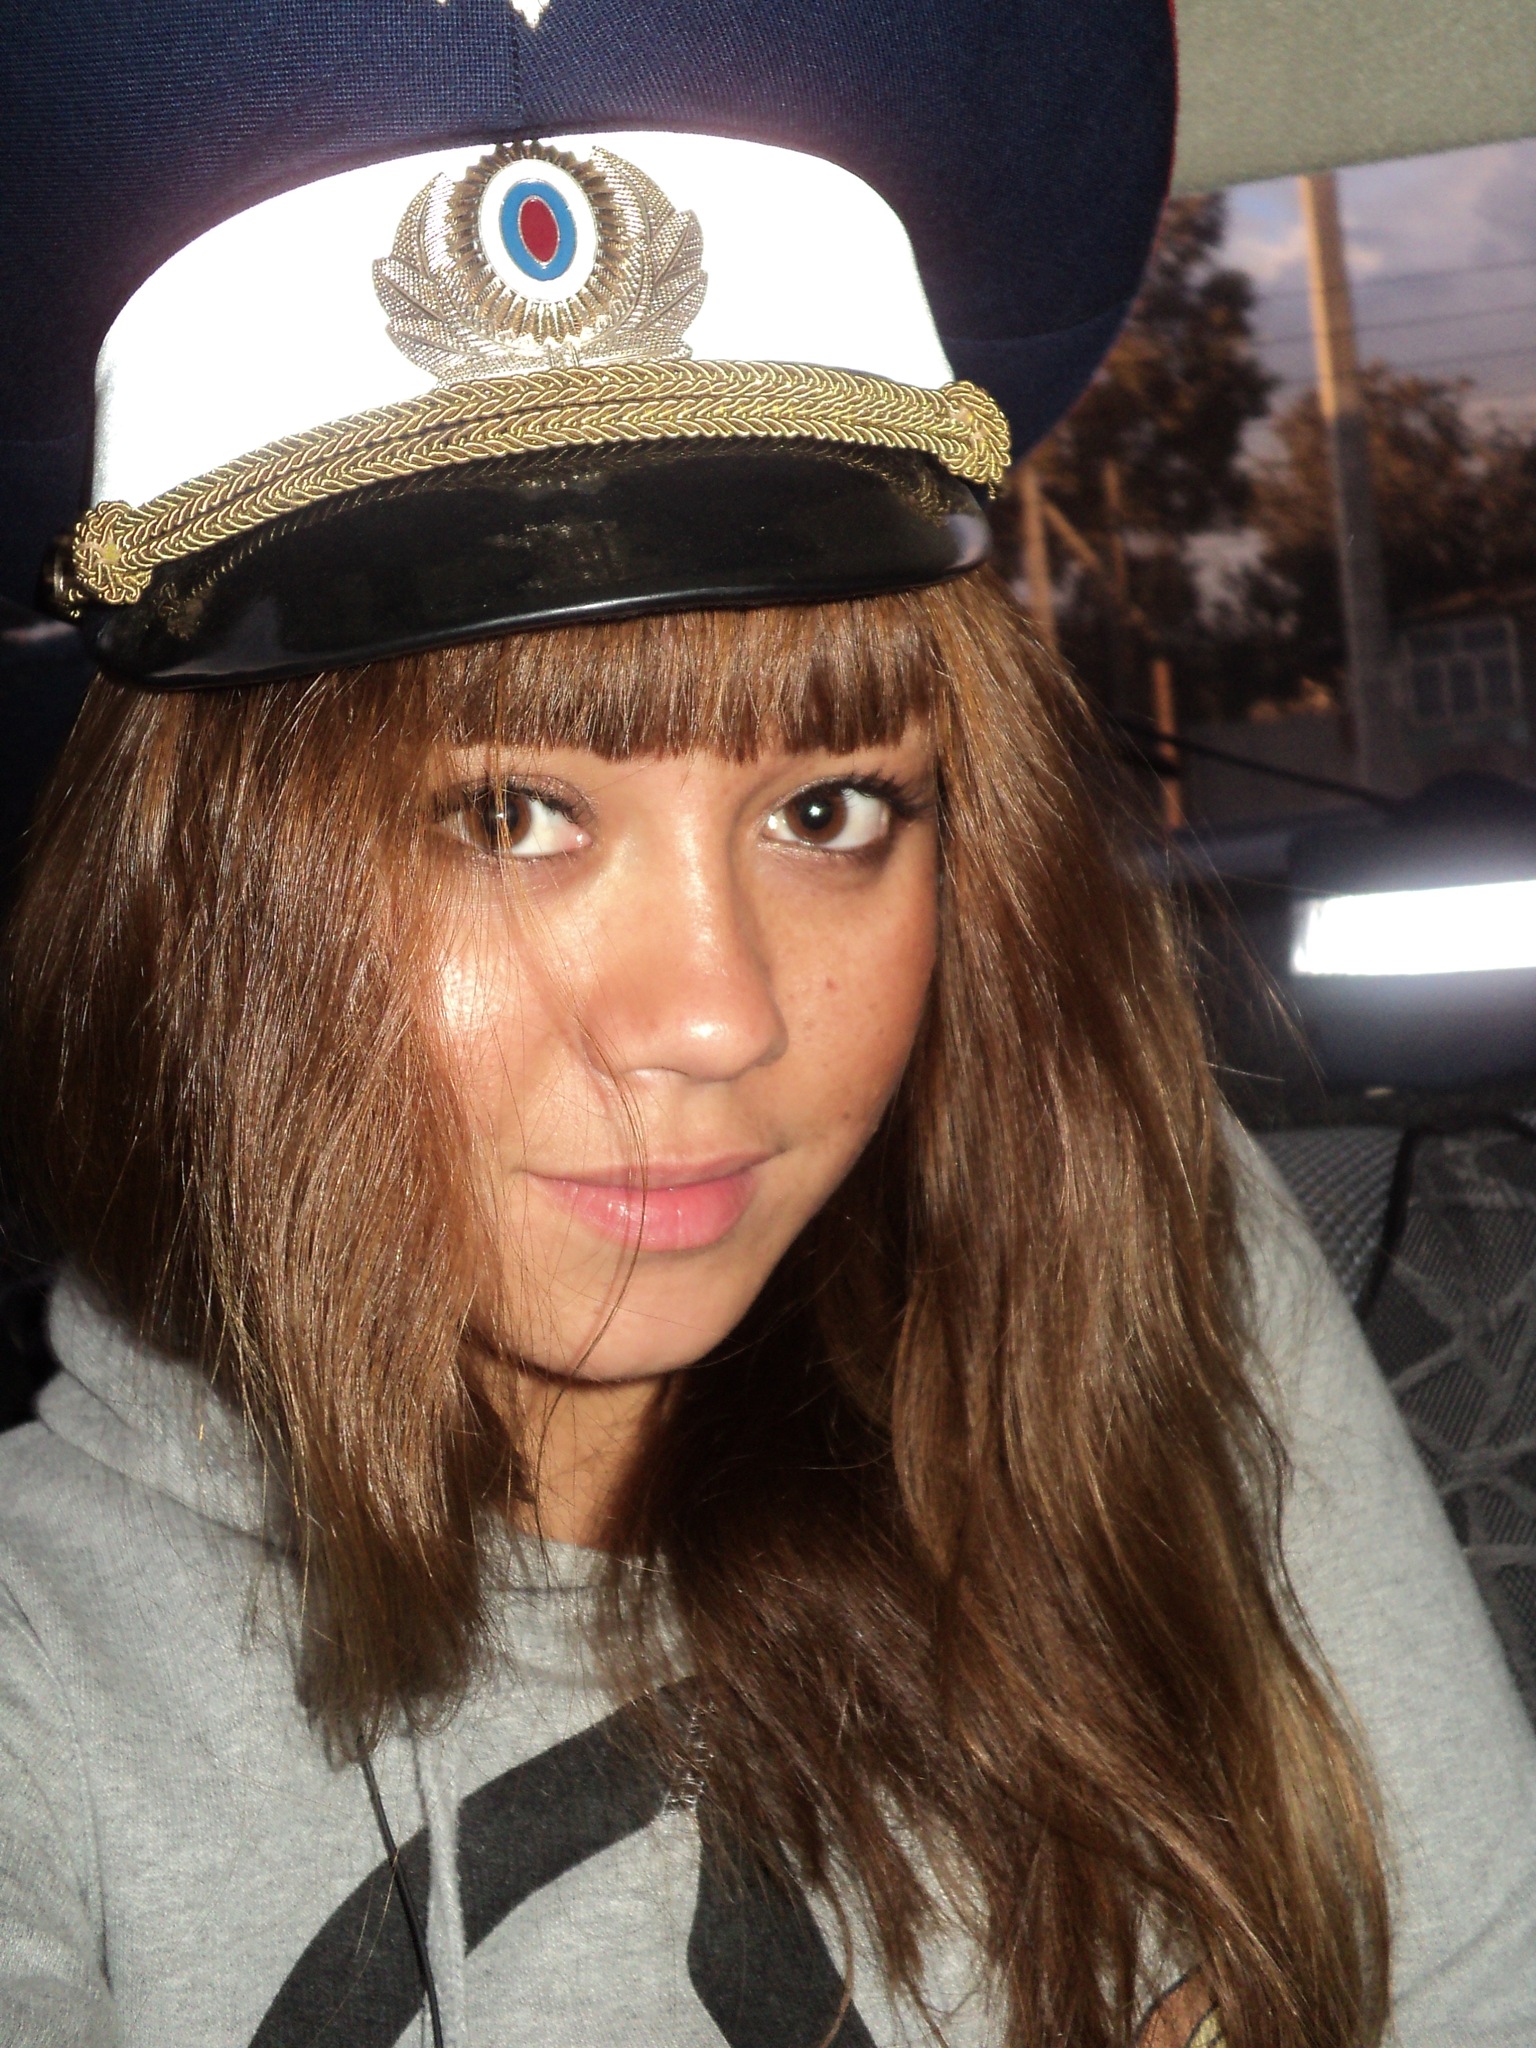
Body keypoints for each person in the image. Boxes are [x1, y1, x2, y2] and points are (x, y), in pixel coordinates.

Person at [2, 7, 1535, 2047]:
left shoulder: (1135, 1275)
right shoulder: (40, 1672)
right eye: (510, 815)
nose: (717, 1017)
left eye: (829, 813)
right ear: (187, 892)